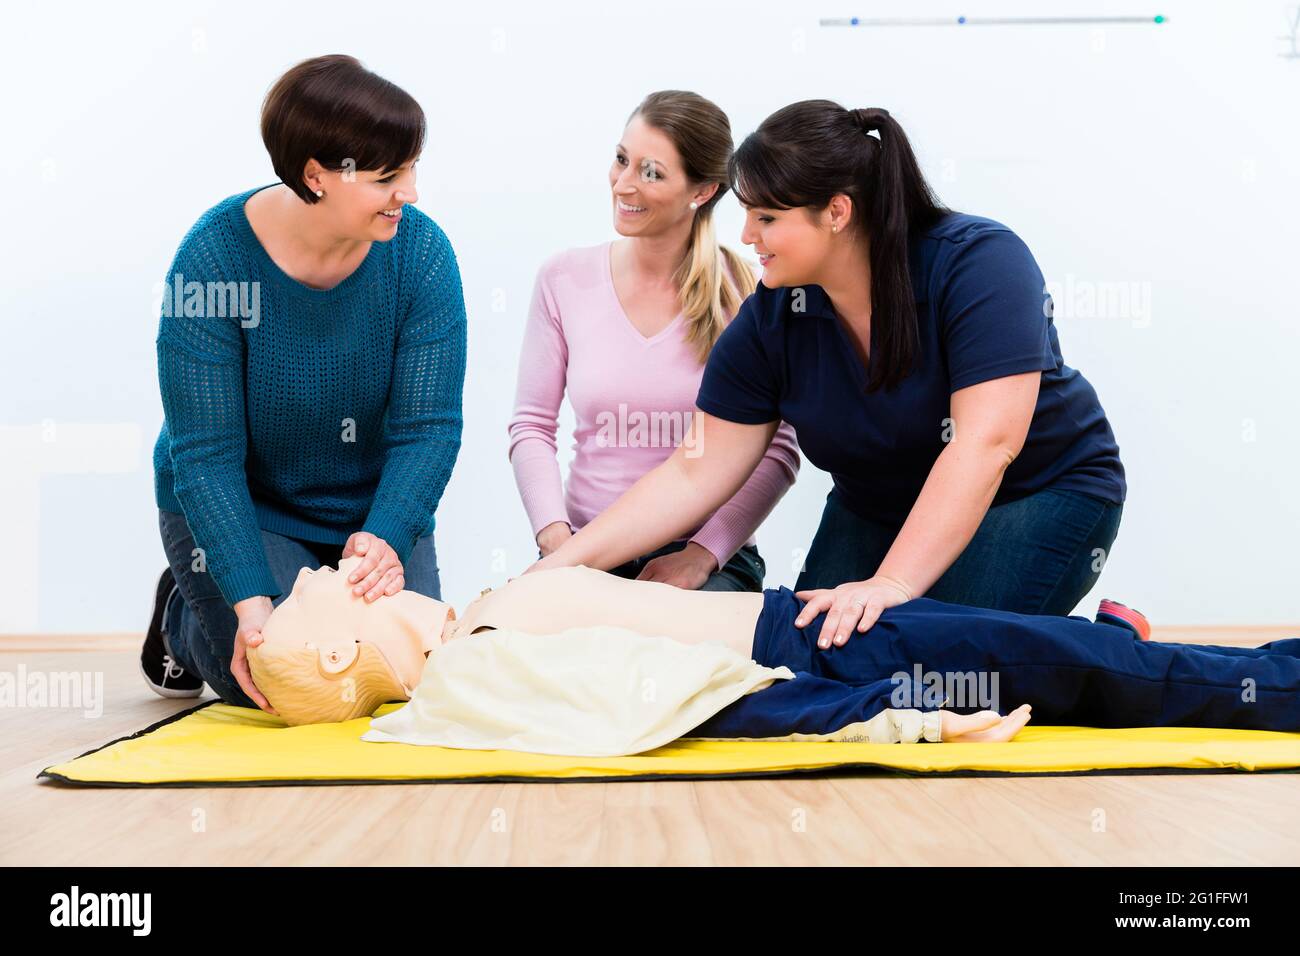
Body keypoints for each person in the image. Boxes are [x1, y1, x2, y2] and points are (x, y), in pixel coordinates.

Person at [526, 100, 1127, 651]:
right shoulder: (774, 315)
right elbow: (694, 470)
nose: (745, 236)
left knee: (930, 660)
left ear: (836, 212)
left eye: (766, 217)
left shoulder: (978, 262)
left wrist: (891, 581)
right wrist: (555, 574)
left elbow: (985, 444)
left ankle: (1114, 641)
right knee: (813, 653)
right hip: (877, 505)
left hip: (1037, 491)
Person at [141, 55, 467, 712]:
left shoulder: (421, 255)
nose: (411, 192)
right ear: (315, 175)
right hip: (250, 504)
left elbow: (427, 427)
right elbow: (204, 457)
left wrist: (386, 537)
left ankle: (232, 601)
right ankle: (185, 614)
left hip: (369, 506)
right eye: (387, 177)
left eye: (412, 168)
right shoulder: (211, 262)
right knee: (285, 681)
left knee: (406, 675)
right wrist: (251, 605)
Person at [244, 561, 1300, 753]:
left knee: (1075, 658)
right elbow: (697, 702)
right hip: (828, 647)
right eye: (313, 594)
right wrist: (905, 714)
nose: (326, 571)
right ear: (342, 646)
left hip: (817, 622)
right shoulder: (480, 664)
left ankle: (1125, 640)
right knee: (1096, 674)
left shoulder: (473, 640)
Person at [509, 90, 799, 592]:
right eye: (621, 160)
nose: (623, 183)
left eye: (651, 172)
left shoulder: (751, 292)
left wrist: (703, 554)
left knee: (670, 658)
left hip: (703, 560)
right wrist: (558, 543)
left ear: (703, 191)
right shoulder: (563, 278)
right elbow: (531, 425)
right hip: (581, 544)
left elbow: (779, 448)